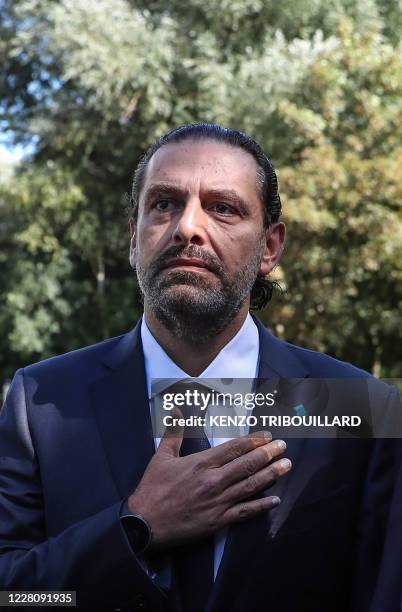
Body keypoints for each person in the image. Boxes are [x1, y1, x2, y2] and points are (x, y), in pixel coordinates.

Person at [0, 123, 398, 612]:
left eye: (223, 208)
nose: (187, 226)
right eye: (164, 203)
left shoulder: (362, 407)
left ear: (270, 248)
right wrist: (135, 527)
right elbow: (14, 596)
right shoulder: (40, 402)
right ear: (133, 238)